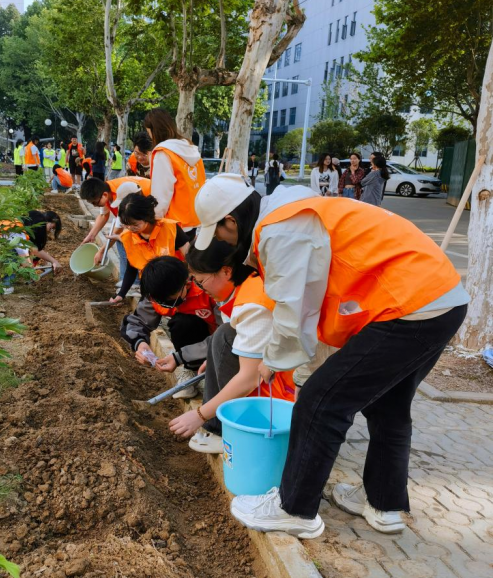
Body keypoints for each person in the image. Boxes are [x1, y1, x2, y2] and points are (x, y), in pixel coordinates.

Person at [192, 173, 469, 538]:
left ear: (230, 221)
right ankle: (384, 504)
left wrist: (271, 362)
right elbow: (315, 301)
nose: (224, 244)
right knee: (388, 406)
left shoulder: (280, 229)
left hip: (409, 306)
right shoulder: (291, 207)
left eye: (221, 235)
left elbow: (293, 315)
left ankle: (295, 509)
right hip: (441, 300)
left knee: (322, 401)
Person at [169, 240, 295, 453]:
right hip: (281, 372)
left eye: (201, 281)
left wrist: (199, 415)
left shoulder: (252, 304)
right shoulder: (249, 282)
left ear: (226, 271)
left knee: (224, 336)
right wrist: (214, 357)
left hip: (283, 395)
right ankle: (220, 426)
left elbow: (248, 379)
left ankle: (233, 430)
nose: (200, 288)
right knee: (221, 338)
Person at [121, 255, 221, 399]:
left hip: (218, 341)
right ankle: (191, 370)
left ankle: (198, 369)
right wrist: (140, 343)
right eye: (159, 300)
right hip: (192, 346)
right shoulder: (157, 295)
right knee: (179, 324)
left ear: (186, 284)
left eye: (169, 299)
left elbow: (228, 334)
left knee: (184, 323)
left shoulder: (208, 291)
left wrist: (180, 357)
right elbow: (136, 322)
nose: (163, 303)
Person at [111, 193, 190, 303]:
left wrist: (187, 279)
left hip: (176, 286)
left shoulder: (170, 228)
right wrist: (121, 294)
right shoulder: (128, 236)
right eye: (126, 225)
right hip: (150, 289)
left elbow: (190, 257)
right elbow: (132, 267)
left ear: (146, 217)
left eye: (135, 224)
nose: (130, 228)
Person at [144, 108, 206, 236]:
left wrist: (152, 224)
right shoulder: (190, 148)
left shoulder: (163, 153)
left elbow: (161, 195)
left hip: (173, 224)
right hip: (194, 219)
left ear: (152, 130)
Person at [80, 176, 152, 281]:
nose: (95, 206)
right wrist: (91, 236)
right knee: (123, 239)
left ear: (104, 195)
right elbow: (104, 215)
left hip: (154, 210)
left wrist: (101, 251)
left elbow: (119, 229)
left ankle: (132, 282)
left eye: (95, 203)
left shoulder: (123, 194)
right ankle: (130, 281)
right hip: (140, 217)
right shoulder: (105, 190)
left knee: (123, 240)